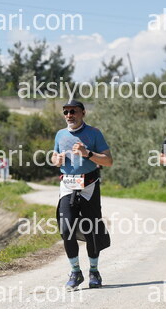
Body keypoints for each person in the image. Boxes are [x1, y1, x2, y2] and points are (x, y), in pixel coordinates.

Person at [50, 100, 113, 290]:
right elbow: (54, 156)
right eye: (66, 112)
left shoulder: (94, 133)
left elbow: (108, 160)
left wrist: (88, 154)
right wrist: (56, 160)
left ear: (83, 113)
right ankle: (75, 272)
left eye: (73, 111)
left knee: (91, 230)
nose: (69, 115)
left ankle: (94, 271)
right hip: (67, 186)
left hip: (89, 186)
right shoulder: (60, 134)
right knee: (66, 228)